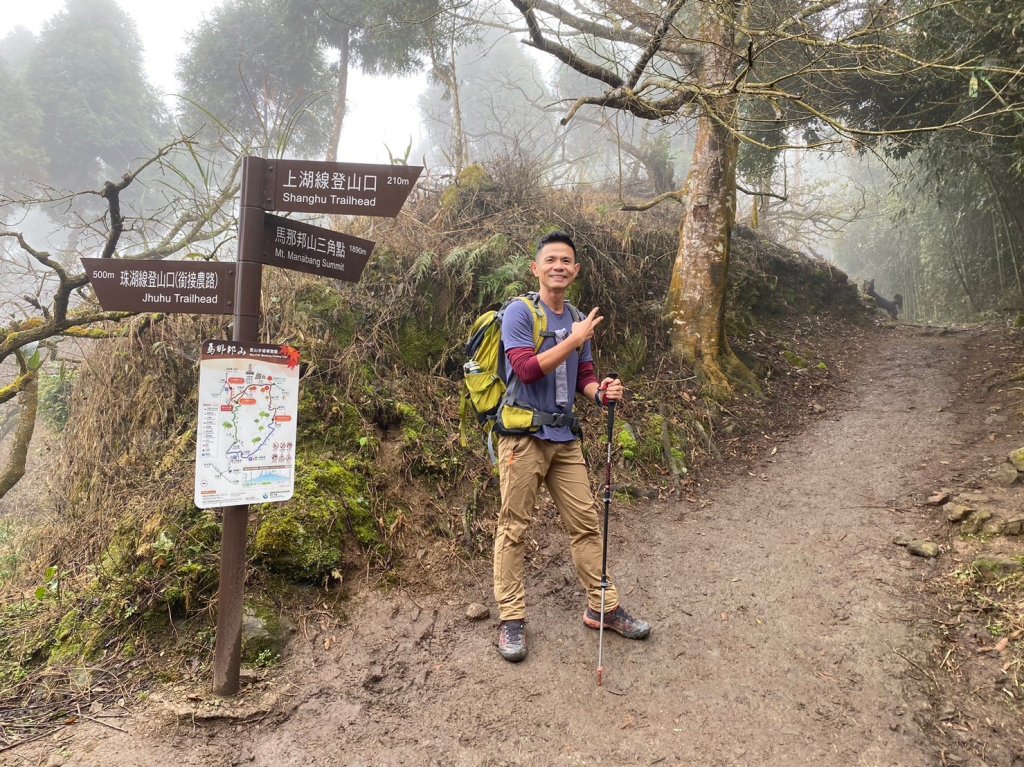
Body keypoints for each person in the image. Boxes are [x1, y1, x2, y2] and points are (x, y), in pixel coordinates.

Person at [493, 230, 651, 663]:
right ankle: (511, 619)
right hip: (522, 439)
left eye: (567, 261)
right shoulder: (519, 313)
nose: (559, 266)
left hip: (564, 439)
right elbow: (525, 370)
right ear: (536, 267)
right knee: (514, 529)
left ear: (576, 270)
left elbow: (584, 375)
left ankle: (603, 606)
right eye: (551, 260)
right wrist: (574, 338)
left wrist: (601, 392)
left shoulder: (579, 317)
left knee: (586, 524)